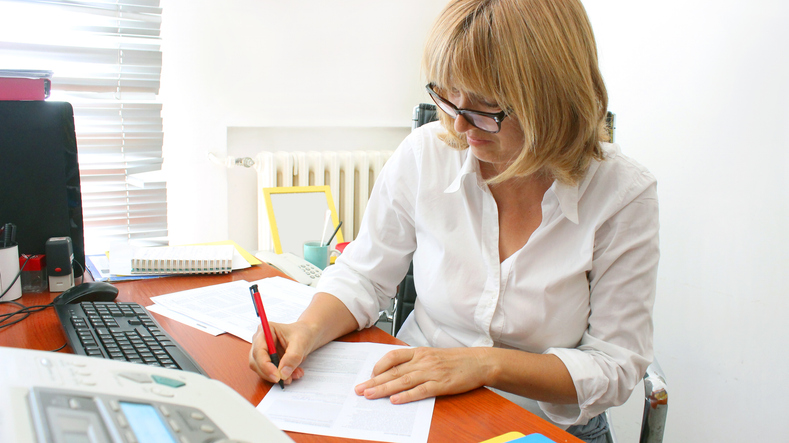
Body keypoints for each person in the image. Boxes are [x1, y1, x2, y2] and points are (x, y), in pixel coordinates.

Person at [250, 0, 659, 441]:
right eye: (448, 94)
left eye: (486, 106)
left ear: (551, 98)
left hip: (541, 425)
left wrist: (484, 365)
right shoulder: (425, 154)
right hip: (417, 408)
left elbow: (615, 365)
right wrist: (306, 330)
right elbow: (364, 276)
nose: (459, 125)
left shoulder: (623, 193)